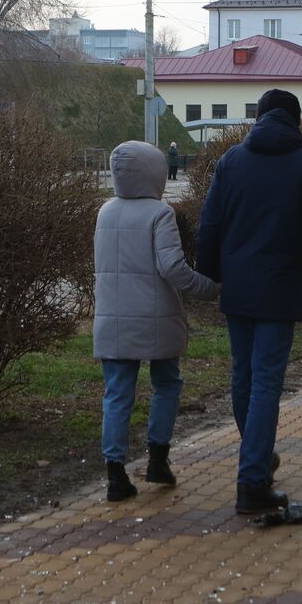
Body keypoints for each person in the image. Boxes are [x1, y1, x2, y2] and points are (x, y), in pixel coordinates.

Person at [197, 89, 302, 514]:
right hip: (280, 286)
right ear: (296, 121)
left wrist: (212, 274)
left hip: (238, 287)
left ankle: (257, 459)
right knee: (265, 383)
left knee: (244, 378)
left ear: (258, 118)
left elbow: (210, 224)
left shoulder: (230, 162)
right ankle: (253, 479)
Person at [93, 141, 219, 502]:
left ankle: (115, 475)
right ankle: (158, 459)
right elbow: (173, 269)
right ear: (155, 172)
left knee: (117, 393)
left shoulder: (105, 212)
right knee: (166, 383)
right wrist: (208, 288)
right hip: (156, 316)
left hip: (113, 319)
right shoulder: (159, 213)